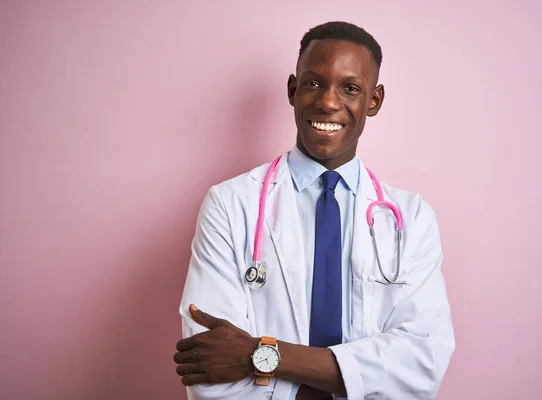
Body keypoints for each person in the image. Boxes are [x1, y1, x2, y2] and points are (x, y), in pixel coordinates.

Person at [173, 21, 455, 400]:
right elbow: (209, 368)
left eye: (350, 88)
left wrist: (263, 354)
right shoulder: (230, 204)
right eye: (313, 83)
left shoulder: (412, 218)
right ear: (292, 90)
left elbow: (422, 363)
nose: (327, 102)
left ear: (374, 100)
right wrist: (361, 375)